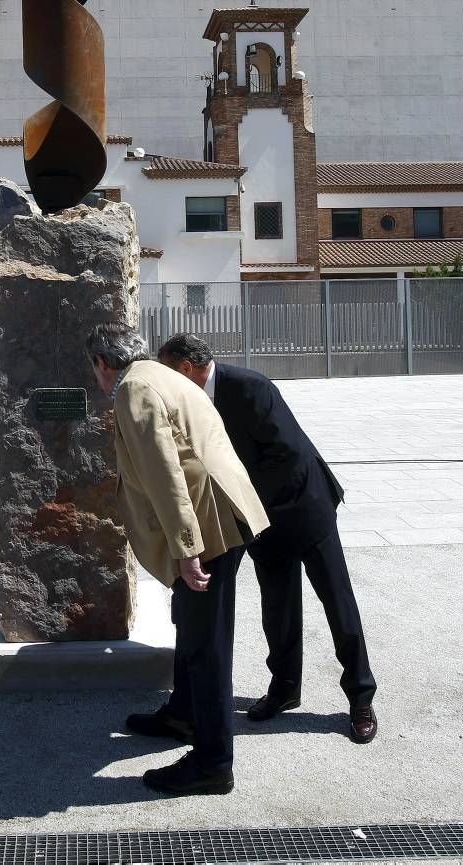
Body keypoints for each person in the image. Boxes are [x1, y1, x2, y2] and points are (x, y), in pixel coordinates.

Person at [157, 332, 377, 745]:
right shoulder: (187, 401)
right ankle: (284, 688)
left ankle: (361, 697)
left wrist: (240, 499)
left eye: (169, 371)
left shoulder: (250, 388)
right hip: (260, 518)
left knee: (338, 602)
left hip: (304, 506)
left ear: (187, 368)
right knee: (277, 606)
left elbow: (287, 455)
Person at [86, 322, 269, 797]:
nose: (99, 380)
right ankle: (184, 715)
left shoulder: (133, 388)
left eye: (96, 371)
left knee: (207, 648)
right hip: (224, 512)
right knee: (191, 627)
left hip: (209, 529)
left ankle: (212, 763)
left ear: (103, 363)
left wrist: (187, 550)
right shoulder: (160, 374)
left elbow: (165, 471)